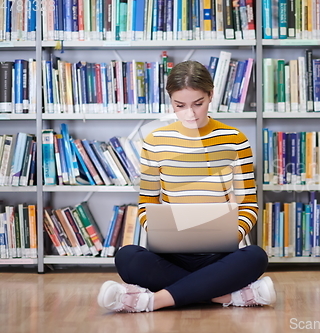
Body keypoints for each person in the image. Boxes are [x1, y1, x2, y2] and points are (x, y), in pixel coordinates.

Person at [97, 60, 276, 313]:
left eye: (198, 104)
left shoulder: (235, 141)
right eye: (180, 105)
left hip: (220, 255)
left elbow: (248, 204)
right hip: (171, 255)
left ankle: (152, 300)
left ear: (211, 95)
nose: (190, 114)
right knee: (127, 257)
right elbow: (148, 202)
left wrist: (231, 235)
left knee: (256, 256)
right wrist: (159, 233)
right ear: (170, 100)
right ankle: (225, 295)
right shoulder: (155, 142)